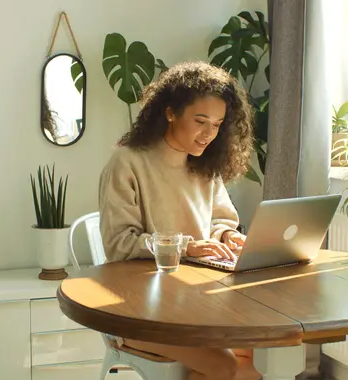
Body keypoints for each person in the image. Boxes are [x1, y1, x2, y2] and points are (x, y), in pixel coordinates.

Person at [98, 61, 260, 380]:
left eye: (217, 124)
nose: (208, 134)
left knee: (250, 360)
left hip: (196, 303)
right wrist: (186, 247)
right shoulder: (127, 163)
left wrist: (228, 237)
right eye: (200, 121)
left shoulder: (205, 165)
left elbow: (220, 220)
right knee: (227, 366)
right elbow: (118, 244)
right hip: (138, 312)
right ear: (170, 112)